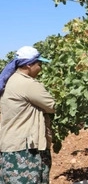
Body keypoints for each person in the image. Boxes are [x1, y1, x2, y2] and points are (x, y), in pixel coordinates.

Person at [0, 46, 55, 183]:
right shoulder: (27, 84)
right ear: (29, 65)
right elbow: (52, 106)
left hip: (11, 147)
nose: (40, 68)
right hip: (26, 151)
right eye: (39, 64)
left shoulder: (11, 81)